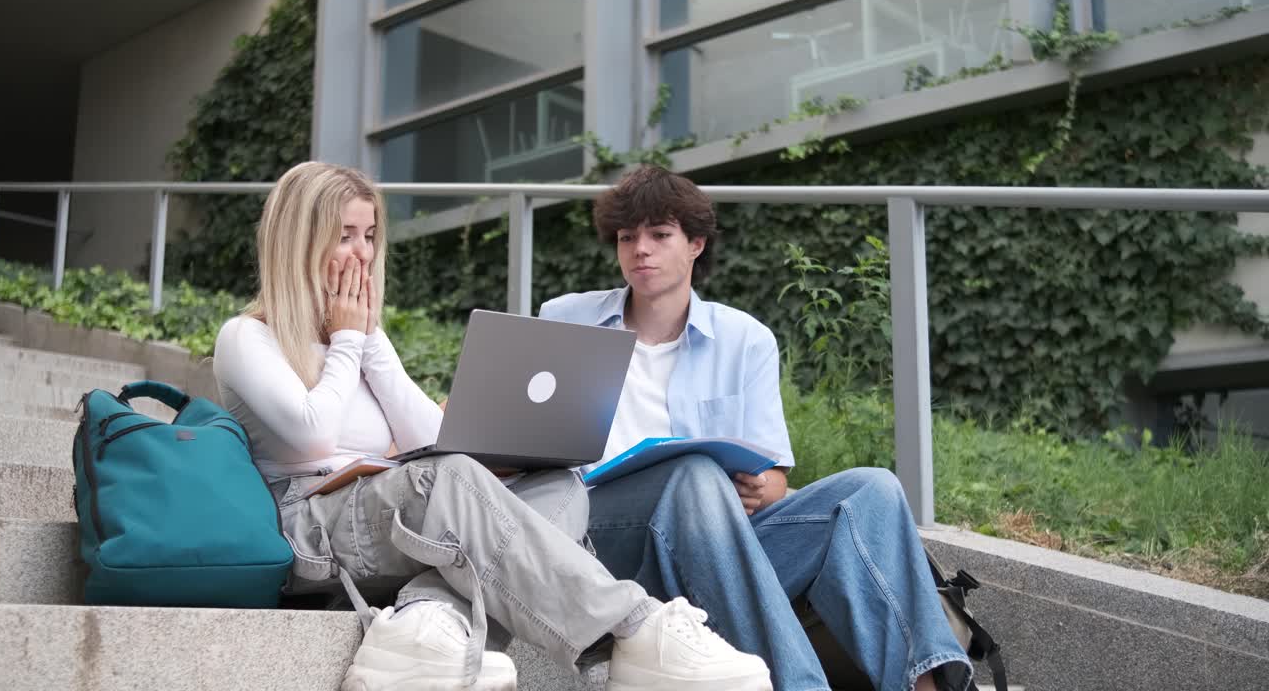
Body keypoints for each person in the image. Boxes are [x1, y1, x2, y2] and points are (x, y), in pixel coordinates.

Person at [213, 161, 772, 691]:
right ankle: (635, 632)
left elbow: (429, 437)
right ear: (299, 240)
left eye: (369, 235)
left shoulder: (353, 334)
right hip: (310, 525)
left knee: (556, 484)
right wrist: (349, 340)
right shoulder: (246, 337)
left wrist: (369, 339)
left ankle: (428, 622)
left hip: (390, 508)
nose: (360, 254)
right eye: (343, 236)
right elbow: (312, 434)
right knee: (448, 477)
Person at [539, 164, 974, 691]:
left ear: (696, 244)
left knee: (872, 489)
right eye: (628, 237)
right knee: (694, 474)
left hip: (716, 547)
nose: (641, 250)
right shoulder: (565, 319)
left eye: (660, 234)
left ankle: (928, 683)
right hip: (606, 539)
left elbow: (774, 482)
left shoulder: (745, 340)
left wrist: (754, 487)